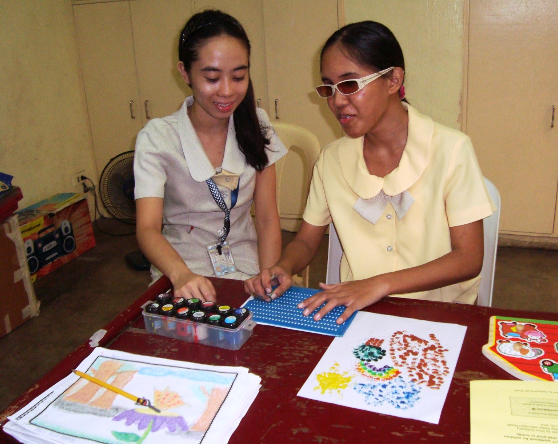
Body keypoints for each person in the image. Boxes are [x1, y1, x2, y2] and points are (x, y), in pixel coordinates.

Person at [245, 21, 495, 323]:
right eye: (329, 88)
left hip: (440, 315)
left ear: (393, 79)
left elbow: (468, 259)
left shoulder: (451, 150)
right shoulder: (332, 161)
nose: (337, 101)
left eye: (350, 85)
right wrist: (283, 266)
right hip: (359, 313)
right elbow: (306, 241)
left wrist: (378, 284)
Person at [134, 10, 287, 301]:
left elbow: (267, 218)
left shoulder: (257, 125)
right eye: (212, 78)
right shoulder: (158, 138)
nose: (227, 91)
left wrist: (267, 275)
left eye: (239, 76)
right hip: (180, 267)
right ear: (184, 72)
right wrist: (180, 274)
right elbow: (147, 228)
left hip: (246, 265)